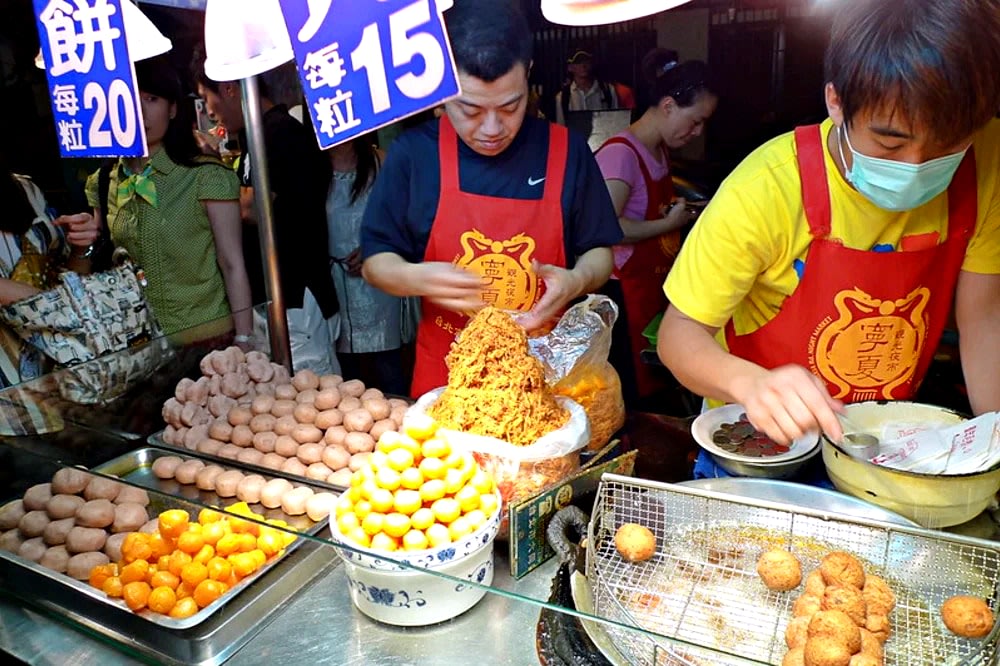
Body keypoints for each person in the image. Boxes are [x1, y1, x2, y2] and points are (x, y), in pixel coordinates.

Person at [658, 0, 1000, 445]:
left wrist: (992, 442)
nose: (917, 165)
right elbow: (679, 335)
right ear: (836, 101)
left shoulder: (987, 161)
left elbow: (984, 317)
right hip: (762, 441)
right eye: (890, 142)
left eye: (946, 147)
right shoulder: (768, 187)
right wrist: (750, 383)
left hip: (886, 442)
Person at [361, 0, 622, 398]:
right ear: (444, 85)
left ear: (528, 76)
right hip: (445, 381)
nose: (492, 128)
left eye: (510, 105)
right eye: (469, 108)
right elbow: (376, 261)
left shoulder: (566, 151)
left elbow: (600, 251)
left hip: (543, 380)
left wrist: (575, 281)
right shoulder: (415, 154)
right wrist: (414, 277)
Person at [86, 57, 252, 343]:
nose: (139, 111)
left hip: (208, 340)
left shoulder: (206, 177)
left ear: (173, 108)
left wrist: (245, 339)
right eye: (128, 99)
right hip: (139, 348)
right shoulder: (102, 182)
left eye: (152, 99)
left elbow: (232, 263)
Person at [194, 55, 339, 374]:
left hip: (297, 300)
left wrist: (209, 168)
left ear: (230, 89)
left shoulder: (281, 135)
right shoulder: (255, 138)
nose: (209, 111)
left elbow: (251, 209)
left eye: (207, 98)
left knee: (309, 399)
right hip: (279, 302)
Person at [595, 49, 717, 406]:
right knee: (634, 395)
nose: (696, 132)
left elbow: (649, 210)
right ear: (667, 106)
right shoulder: (620, 154)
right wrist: (668, 223)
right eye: (694, 121)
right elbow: (608, 227)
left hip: (653, 286)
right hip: (623, 292)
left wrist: (683, 212)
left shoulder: (659, 151)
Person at [0, 156, 99, 385]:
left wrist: (81, 247)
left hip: (64, 378)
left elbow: (71, 279)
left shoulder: (25, 190)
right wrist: (66, 303)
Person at [327, 135, 409, 395]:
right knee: (344, 376)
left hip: (379, 281)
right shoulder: (311, 166)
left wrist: (373, 246)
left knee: (390, 368)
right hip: (333, 281)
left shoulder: (381, 160)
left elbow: (405, 216)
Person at [554, 48, 619, 126]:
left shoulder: (608, 91)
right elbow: (561, 128)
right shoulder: (562, 97)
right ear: (570, 67)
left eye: (586, 61)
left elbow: (616, 122)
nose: (583, 66)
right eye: (578, 62)